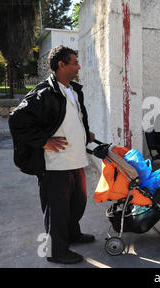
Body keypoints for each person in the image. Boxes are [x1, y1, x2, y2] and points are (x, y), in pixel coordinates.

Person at [9, 46, 95, 264]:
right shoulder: (45, 92)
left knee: (77, 203)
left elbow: (71, 118)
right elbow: (17, 120)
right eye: (74, 62)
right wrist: (43, 141)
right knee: (57, 210)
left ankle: (72, 235)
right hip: (55, 164)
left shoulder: (73, 90)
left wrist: (85, 134)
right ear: (61, 65)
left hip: (75, 159)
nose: (78, 66)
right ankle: (55, 251)